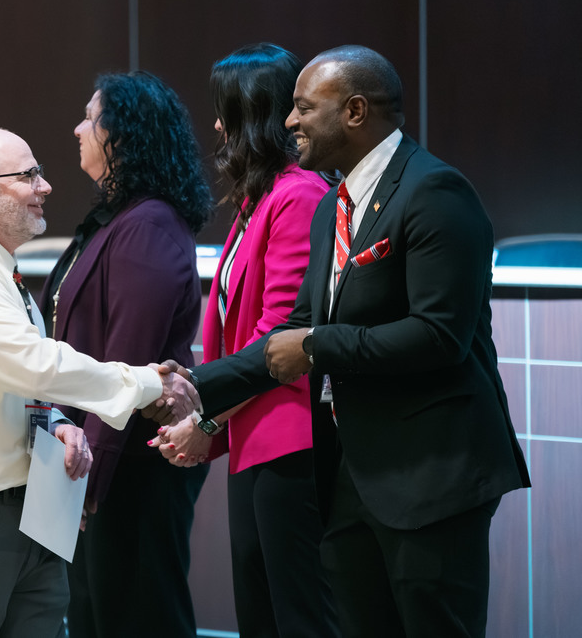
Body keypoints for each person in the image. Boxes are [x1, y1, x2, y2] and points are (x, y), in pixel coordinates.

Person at [170, 45, 531, 637]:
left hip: (429, 474)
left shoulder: (436, 191)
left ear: (356, 111)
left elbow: (440, 337)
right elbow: (293, 328)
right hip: (351, 474)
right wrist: (193, 384)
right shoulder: (332, 207)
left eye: (304, 108)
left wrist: (318, 347)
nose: (289, 122)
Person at [0, 127, 197, 638]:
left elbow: (8, 382)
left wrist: (52, 421)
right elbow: (34, 364)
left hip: (24, 512)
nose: (45, 186)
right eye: (28, 175)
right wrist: (145, 383)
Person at [148, 44, 338, 637]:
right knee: (260, 616)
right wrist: (214, 425)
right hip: (255, 434)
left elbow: (274, 339)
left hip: (291, 436)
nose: (215, 127)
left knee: (298, 616)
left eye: (224, 111)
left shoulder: (299, 194)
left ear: (251, 116)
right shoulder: (258, 199)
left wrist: (203, 418)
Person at [40, 71, 212, 638]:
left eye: (91, 118)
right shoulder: (118, 219)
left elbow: (127, 367)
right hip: (95, 451)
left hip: (128, 465)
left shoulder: (149, 225)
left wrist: (91, 479)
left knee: (136, 617)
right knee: (94, 615)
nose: (78, 128)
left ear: (126, 134)